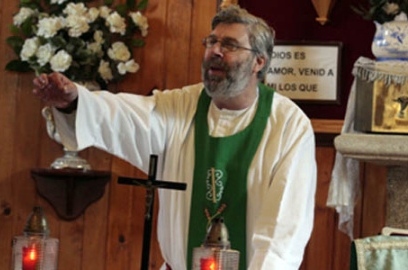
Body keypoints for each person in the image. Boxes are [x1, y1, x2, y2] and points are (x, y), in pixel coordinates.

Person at [32, 5, 317, 270]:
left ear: (259, 61)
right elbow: (125, 116)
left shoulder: (288, 126)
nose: (214, 51)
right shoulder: (182, 107)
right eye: (211, 42)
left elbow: (283, 229)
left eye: (229, 45)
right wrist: (74, 102)